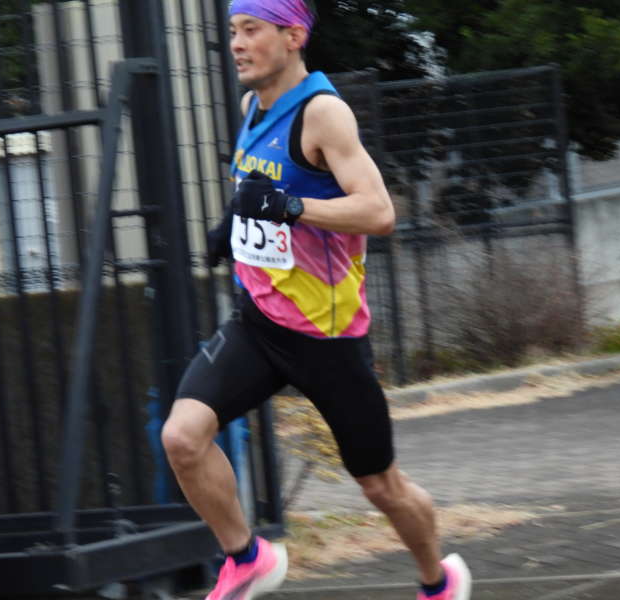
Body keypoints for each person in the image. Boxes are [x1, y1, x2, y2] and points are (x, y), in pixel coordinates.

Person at [161, 1, 472, 599]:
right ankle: (247, 558)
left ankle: (439, 581)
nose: (237, 44)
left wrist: (292, 208)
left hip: (327, 338)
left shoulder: (323, 113)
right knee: (182, 437)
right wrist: (233, 224)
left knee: (381, 486)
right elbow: (262, 187)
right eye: (233, 31)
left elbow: (378, 212)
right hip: (258, 322)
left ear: (293, 35)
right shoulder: (253, 107)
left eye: (251, 30)